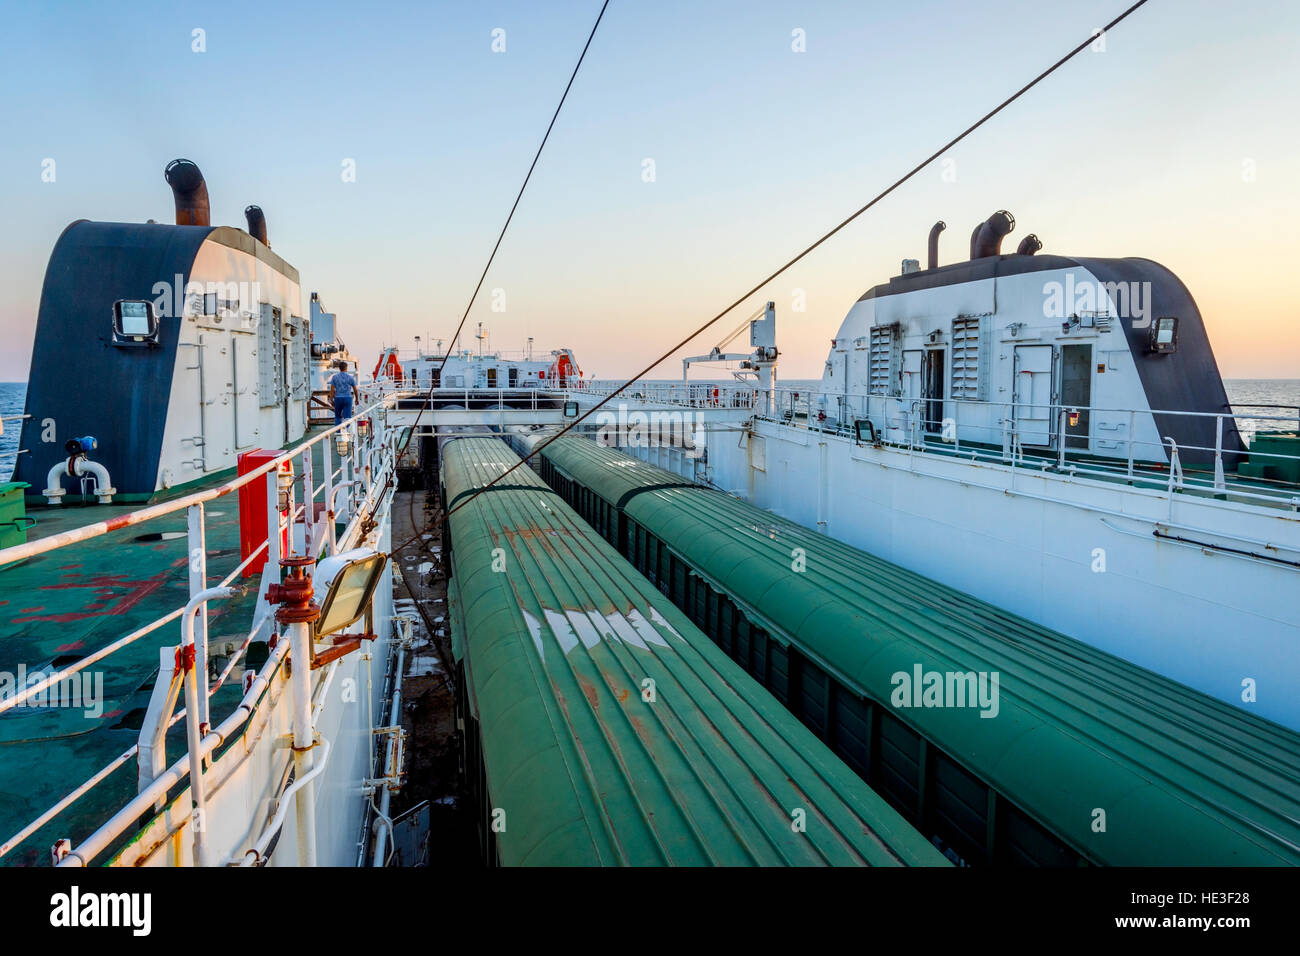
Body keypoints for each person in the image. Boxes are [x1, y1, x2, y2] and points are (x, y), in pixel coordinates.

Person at [328, 360, 357, 425]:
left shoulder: (334, 377)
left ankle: (338, 432)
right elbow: (355, 389)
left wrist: (331, 399)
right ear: (346, 368)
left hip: (338, 398)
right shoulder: (350, 377)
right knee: (347, 417)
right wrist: (357, 399)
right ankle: (347, 431)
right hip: (347, 398)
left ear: (339, 368)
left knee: (338, 417)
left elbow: (332, 390)